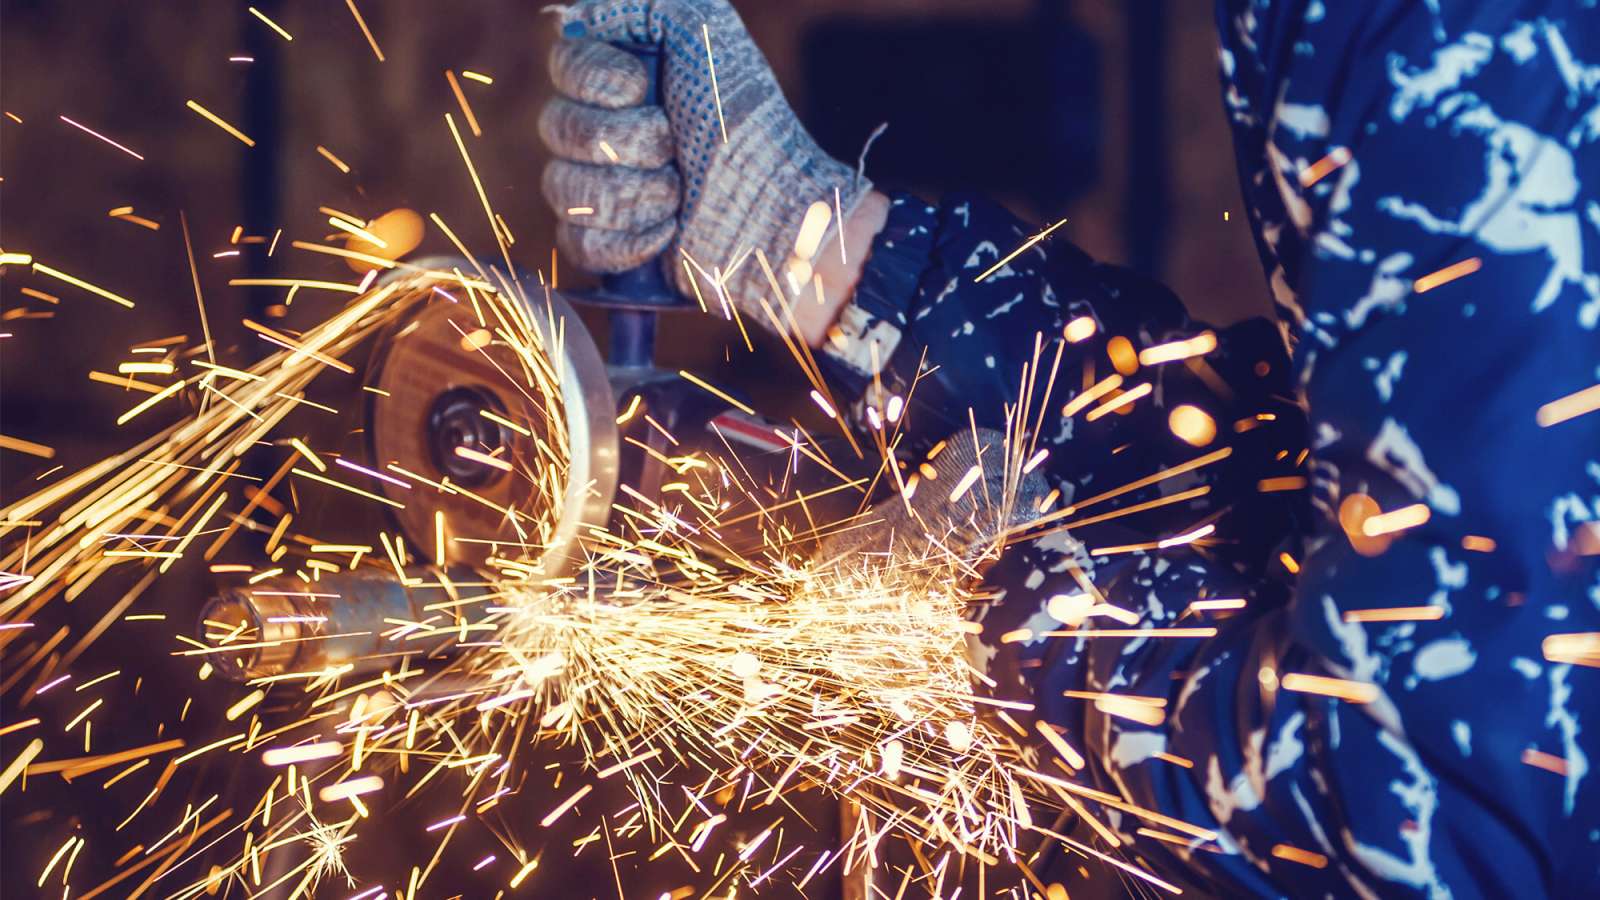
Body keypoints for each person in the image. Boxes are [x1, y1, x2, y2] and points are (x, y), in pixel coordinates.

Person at [538, 0, 1600, 895]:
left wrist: (985, 612)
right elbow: (1335, 487)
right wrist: (828, 249)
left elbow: (1428, 807)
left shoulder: (1444, 40)